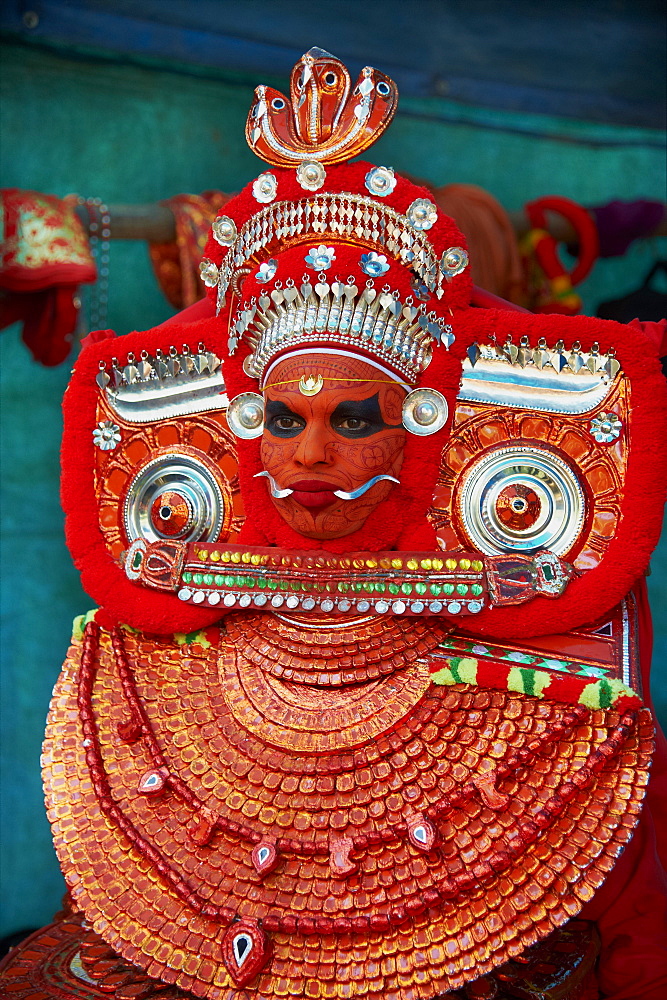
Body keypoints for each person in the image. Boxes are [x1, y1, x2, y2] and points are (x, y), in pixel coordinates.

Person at [2, 46, 667, 1000]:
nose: (307, 458)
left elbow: (629, 915)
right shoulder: (146, 640)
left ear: (425, 430)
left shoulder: (549, 648)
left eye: (353, 419)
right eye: (283, 418)